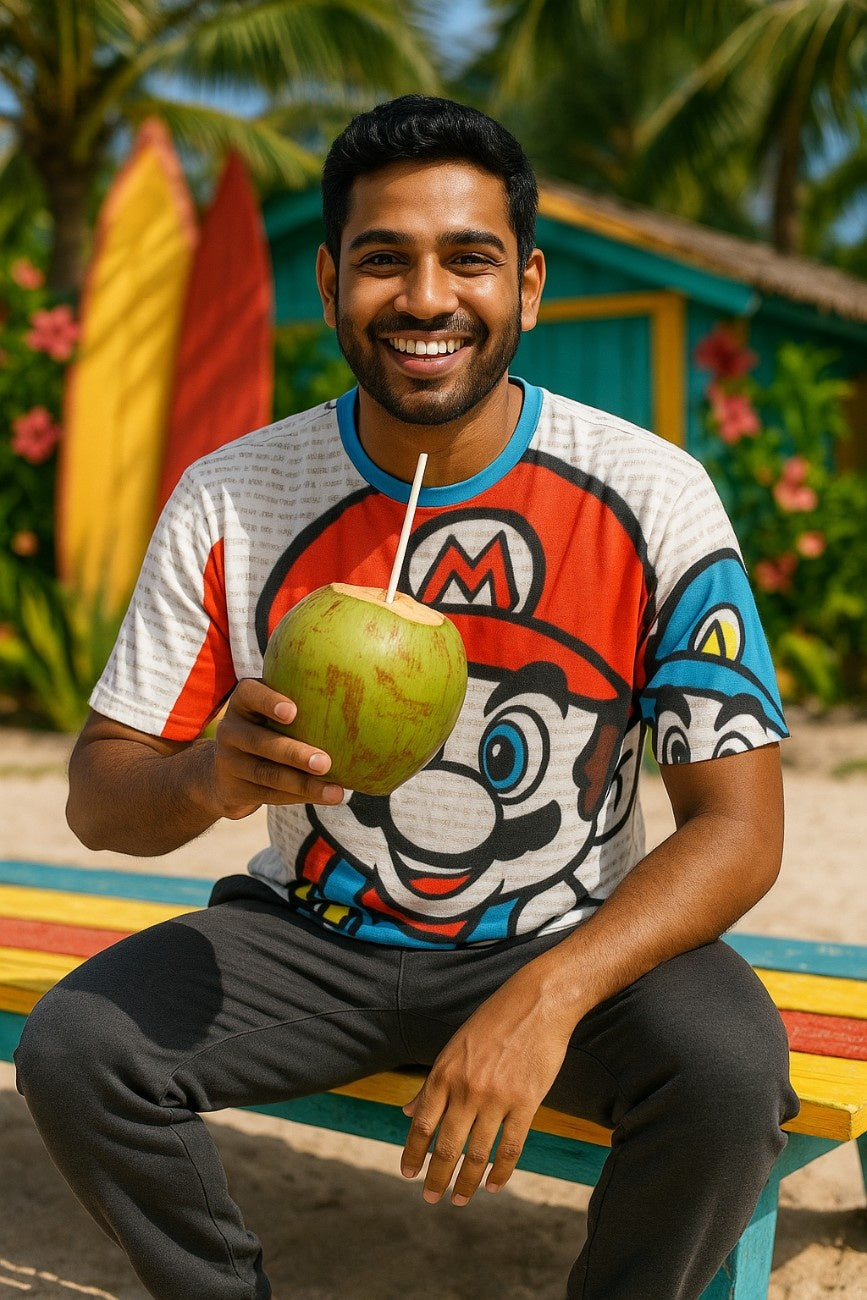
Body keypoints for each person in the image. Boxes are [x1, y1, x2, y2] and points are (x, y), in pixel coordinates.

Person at [16, 95, 798, 1300]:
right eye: (384, 259)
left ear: (528, 286)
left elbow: (740, 828)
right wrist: (207, 775)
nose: (427, 297)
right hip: (311, 939)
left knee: (730, 1071)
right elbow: (98, 798)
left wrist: (546, 994)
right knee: (79, 1048)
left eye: (469, 259)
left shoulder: (652, 493)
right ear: (330, 282)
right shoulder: (233, 495)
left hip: (568, 939)